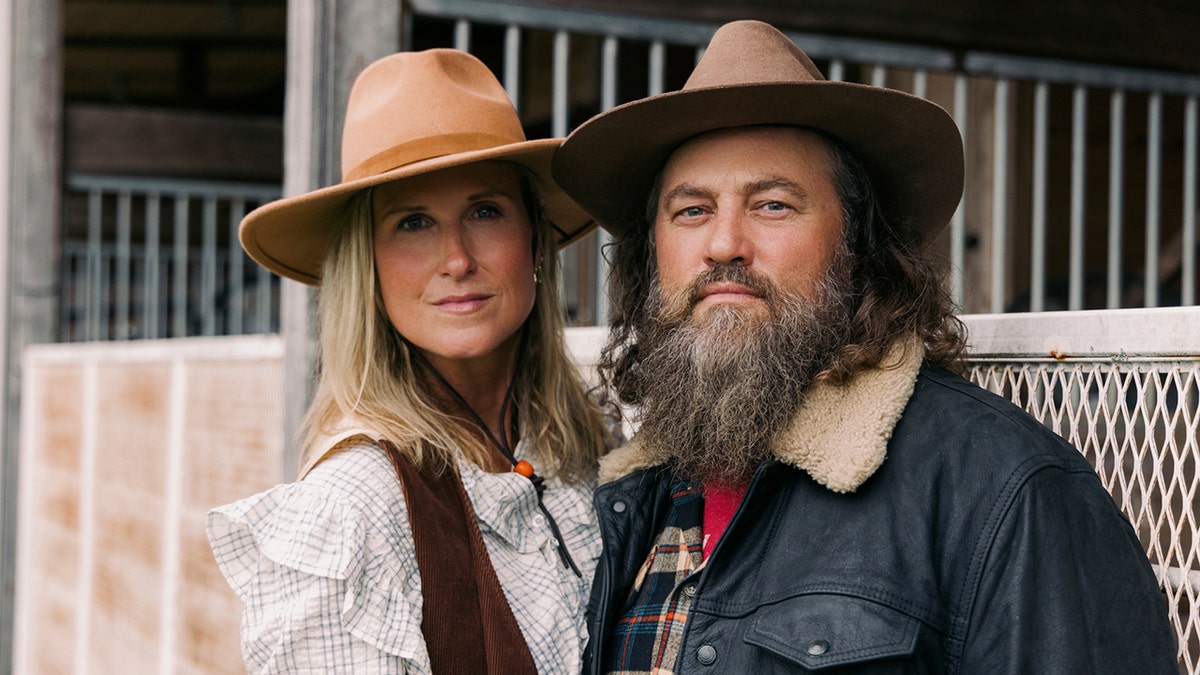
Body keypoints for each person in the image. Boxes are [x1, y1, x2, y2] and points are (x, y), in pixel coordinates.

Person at [551, 20, 1177, 674]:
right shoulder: (633, 494)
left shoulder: (1005, 489)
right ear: (652, 255)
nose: (723, 243)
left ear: (858, 245)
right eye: (691, 210)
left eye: (772, 204)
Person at [206, 48, 613, 673]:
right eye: (413, 222)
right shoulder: (353, 508)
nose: (455, 259)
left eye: (485, 211)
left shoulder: (585, 441)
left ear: (535, 240)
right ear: (366, 267)